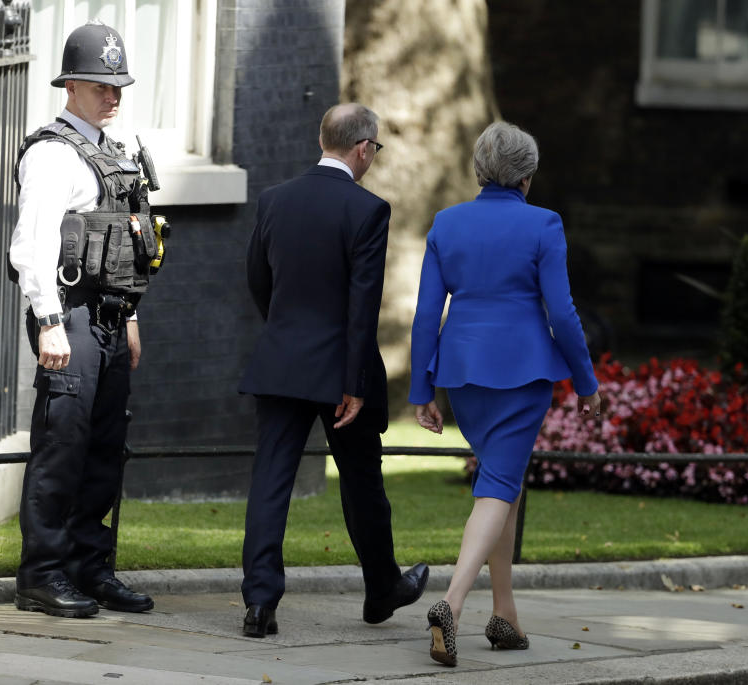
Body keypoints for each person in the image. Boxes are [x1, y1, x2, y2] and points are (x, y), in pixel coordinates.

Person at [408, 121, 602, 665]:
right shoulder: (544, 224)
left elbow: (426, 313)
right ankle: (451, 602)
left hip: (463, 371)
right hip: (523, 372)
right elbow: (561, 312)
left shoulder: (448, 223)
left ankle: (505, 614)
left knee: (504, 481)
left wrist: (422, 387)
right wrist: (586, 382)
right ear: (528, 177)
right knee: (498, 484)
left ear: (478, 170)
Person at [238, 104, 429, 639]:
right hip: (341, 373)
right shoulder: (368, 209)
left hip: (280, 363)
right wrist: (352, 384)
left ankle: (259, 603)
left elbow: (258, 279)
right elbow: (362, 305)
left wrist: (285, 332)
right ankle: (382, 589)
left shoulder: (274, 199)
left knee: (270, 481)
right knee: (363, 482)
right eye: (376, 150)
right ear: (364, 148)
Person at [9, 21, 161, 618]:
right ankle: (41, 574)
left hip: (109, 320)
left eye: (118, 84)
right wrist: (47, 319)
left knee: (104, 449)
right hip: (68, 317)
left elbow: (122, 250)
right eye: (100, 85)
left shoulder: (111, 151)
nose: (112, 94)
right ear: (70, 85)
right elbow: (34, 243)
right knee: (62, 448)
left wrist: (129, 318)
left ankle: (89, 567)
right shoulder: (52, 154)